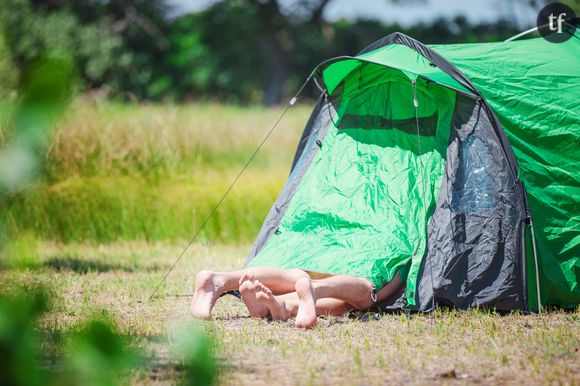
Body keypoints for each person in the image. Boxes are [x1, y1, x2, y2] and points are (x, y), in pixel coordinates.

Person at [190, 267, 404, 328]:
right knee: (371, 293)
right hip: (378, 244)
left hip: (326, 234)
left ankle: (219, 280)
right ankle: (311, 291)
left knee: (299, 273)